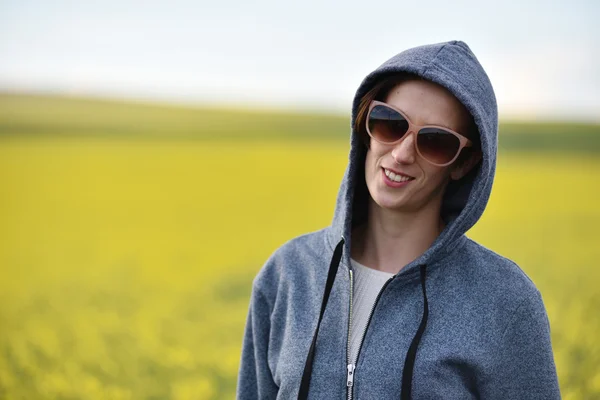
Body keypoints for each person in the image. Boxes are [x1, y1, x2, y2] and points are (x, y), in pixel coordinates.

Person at [236, 40, 560, 399]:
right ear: (366, 126)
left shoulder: (505, 301)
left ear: (464, 163)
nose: (403, 153)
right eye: (391, 123)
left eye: (435, 141)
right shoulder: (287, 274)